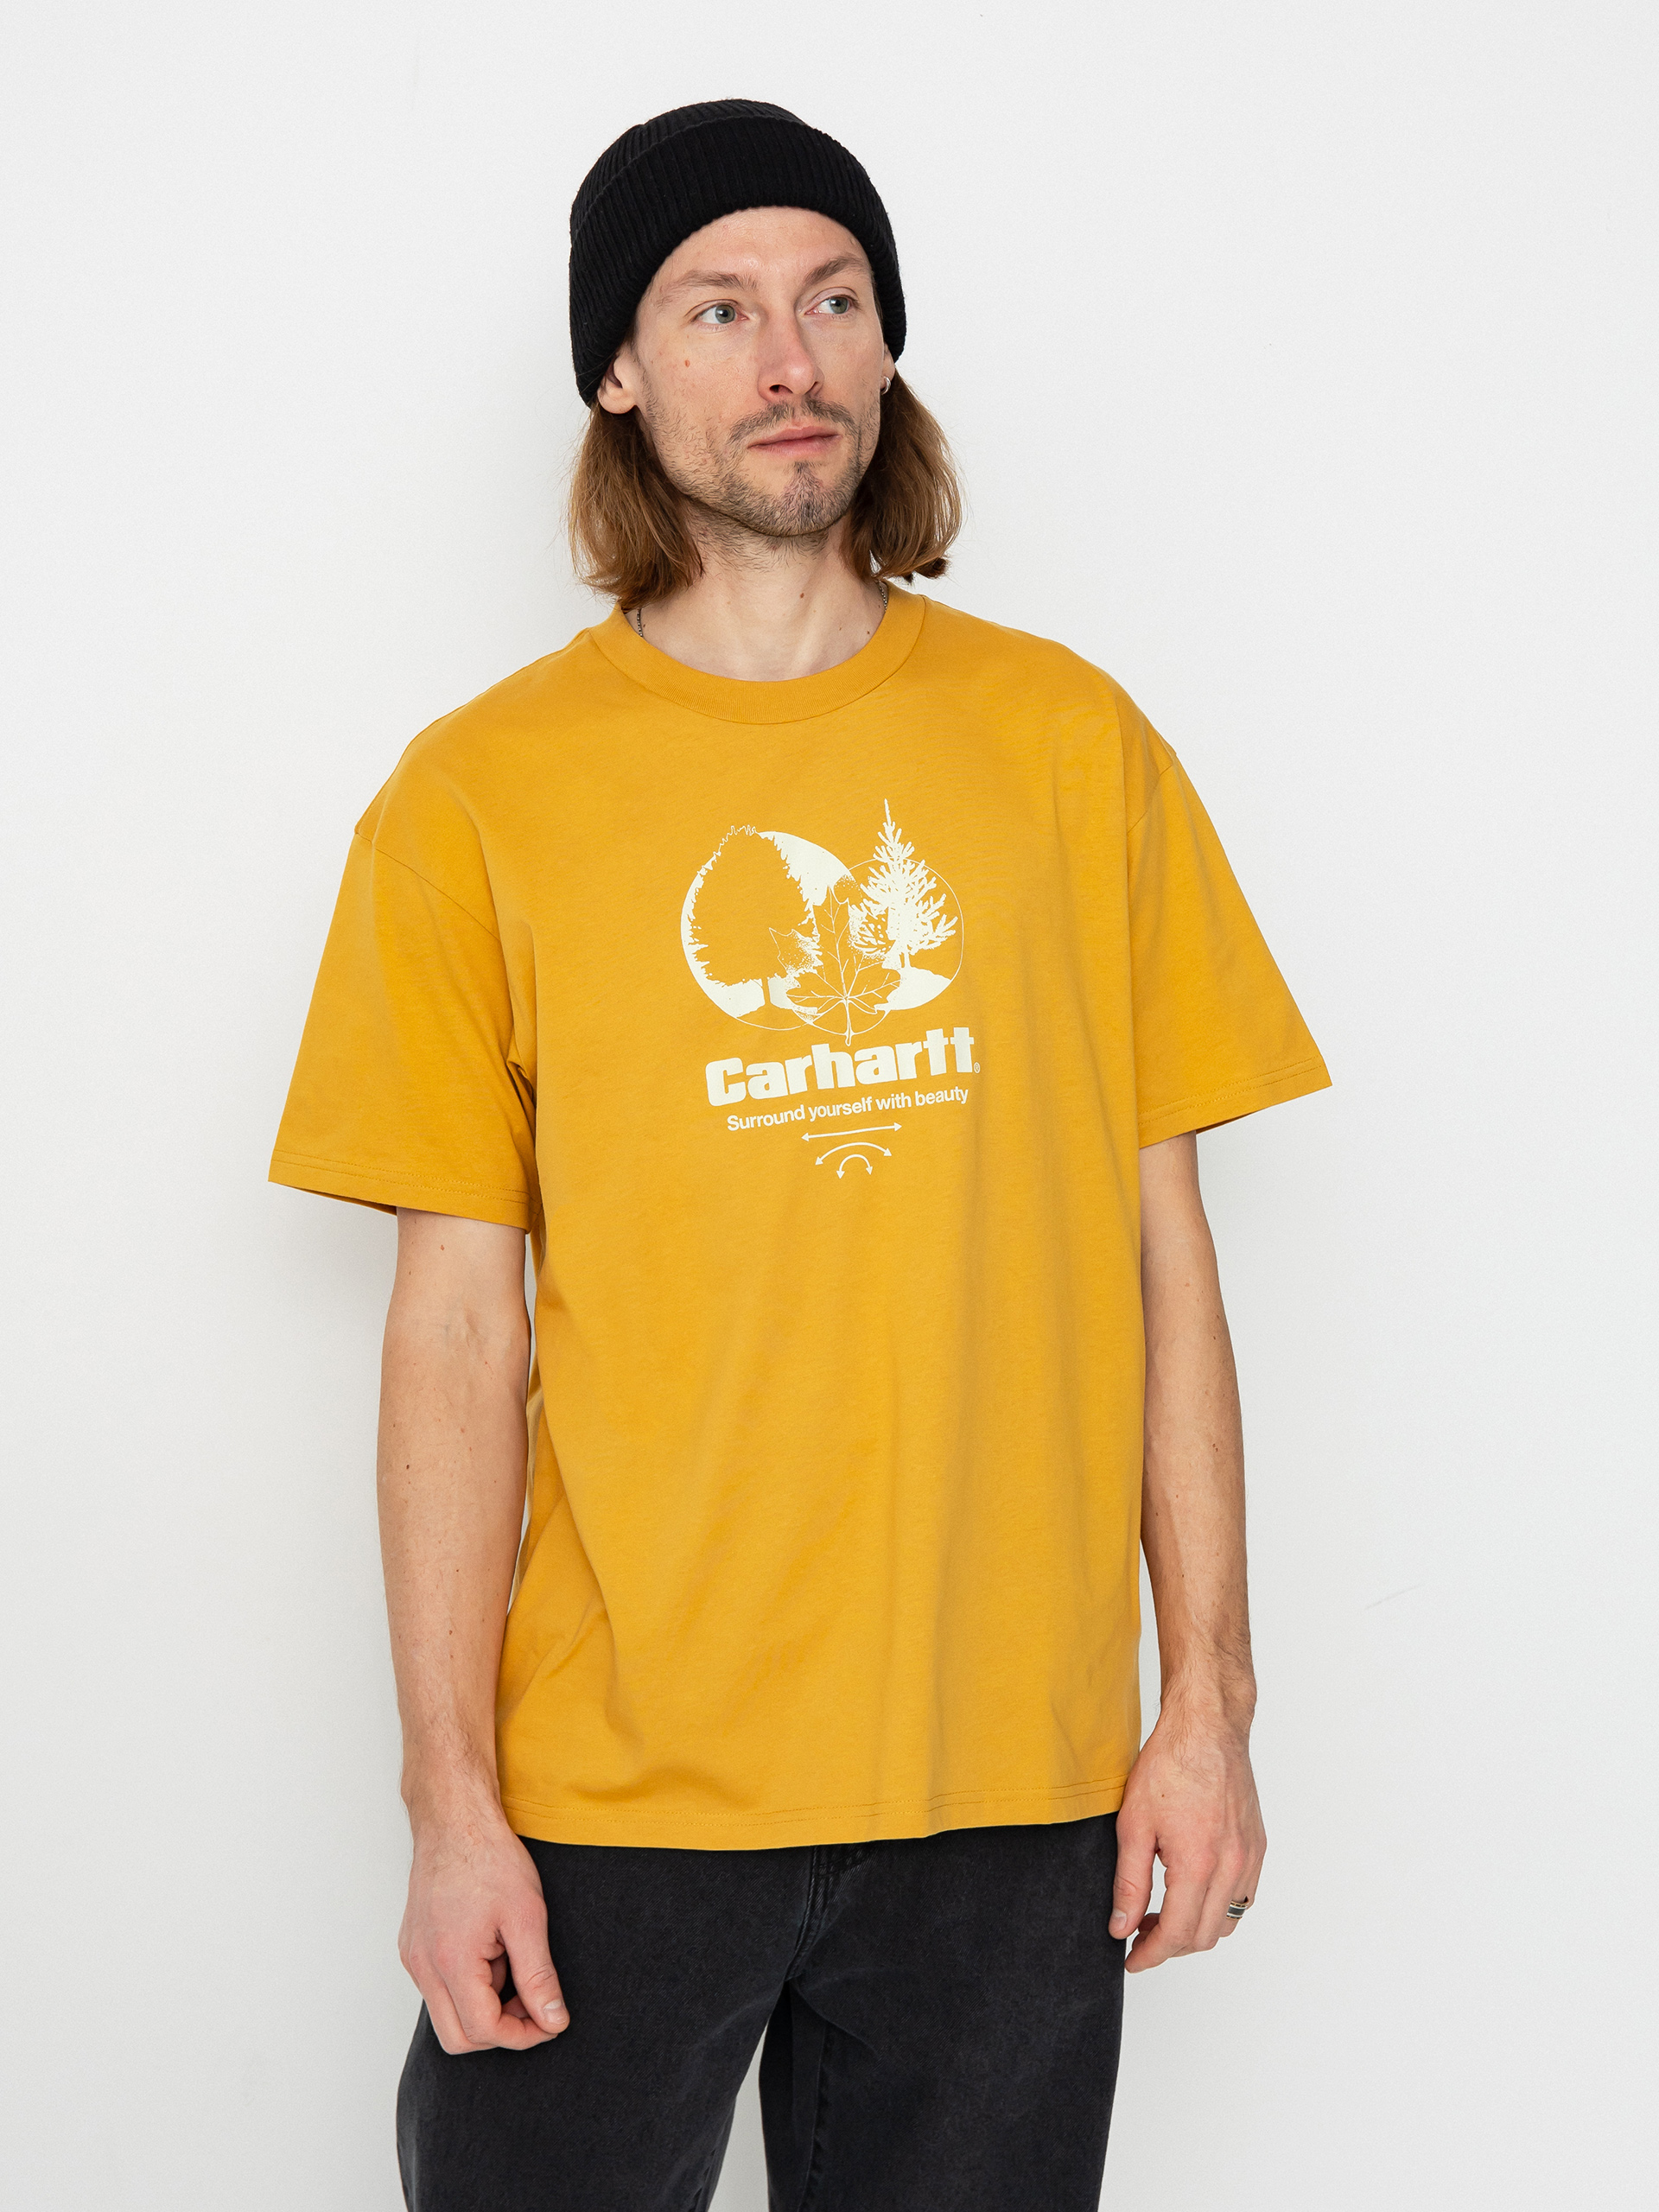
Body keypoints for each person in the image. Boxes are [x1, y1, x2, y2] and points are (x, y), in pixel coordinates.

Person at [272, 98, 1330, 2212]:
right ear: (616, 370)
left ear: (885, 347)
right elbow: (457, 1332)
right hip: (619, 1791)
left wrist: (1207, 1706)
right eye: (719, 307)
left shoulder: (1070, 747)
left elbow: (1167, 1265)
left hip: (1011, 1792)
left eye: (836, 300)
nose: (790, 359)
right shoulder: (477, 802)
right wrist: (452, 1802)